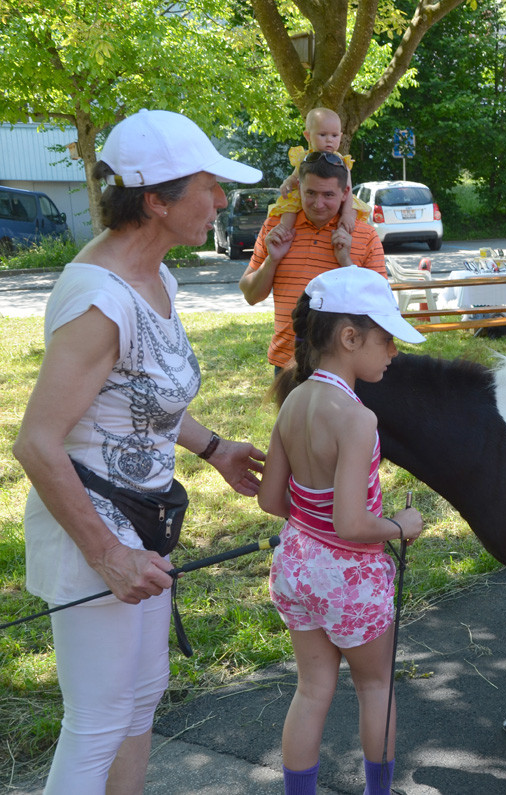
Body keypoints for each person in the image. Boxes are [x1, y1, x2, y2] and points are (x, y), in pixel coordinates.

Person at [12, 109, 267, 793]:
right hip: (96, 536)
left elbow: (143, 399)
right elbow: (36, 441)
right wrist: (108, 553)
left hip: (146, 522)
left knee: (142, 694)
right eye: (207, 187)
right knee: (96, 721)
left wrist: (213, 445)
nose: (221, 200)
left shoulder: (159, 278)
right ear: (154, 199)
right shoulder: (100, 299)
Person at [260, 266, 427, 795]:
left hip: (295, 568)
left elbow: (271, 499)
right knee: (376, 686)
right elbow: (352, 523)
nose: (393, 353)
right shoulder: (357, 419)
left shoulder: (293, 399)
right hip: (350, 579)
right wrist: (400, 526)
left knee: (312, 692)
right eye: (387, 340)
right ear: (350, 337)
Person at [239, 151, 388, 371]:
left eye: (328, 194)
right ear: (299, 188)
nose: (318, 204)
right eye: (310, 193)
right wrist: (272, 260)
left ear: (345, 193)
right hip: (288, 364)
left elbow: (382, 308)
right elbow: (251, 295)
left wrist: (346, 261)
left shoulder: (365, 235)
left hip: (345, 369)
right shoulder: (277, 228)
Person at [266, 108, 368, 244]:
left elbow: (347, 190)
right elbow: (294, 176)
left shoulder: (341, 162)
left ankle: (343, 232)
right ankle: (284, 229)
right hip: (304, 196)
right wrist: (288, 182)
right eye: (323, 135)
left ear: (341, 136)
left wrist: (347, 214)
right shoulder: (304, 158)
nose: (329, 140)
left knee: (353, 208)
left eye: (334, 136)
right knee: (289, 206)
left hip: (339, 199)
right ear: (308, 136)